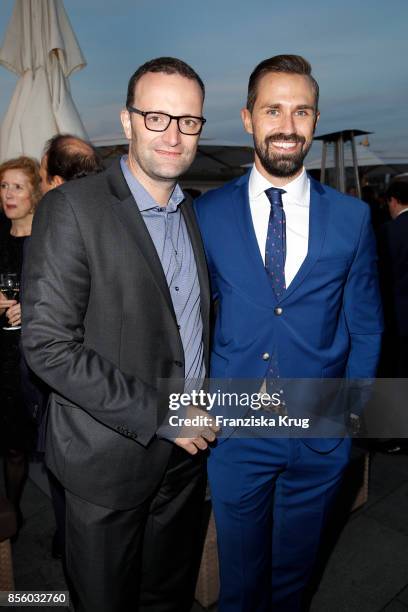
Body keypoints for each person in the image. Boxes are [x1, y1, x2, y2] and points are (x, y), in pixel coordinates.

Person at [22, 57, 217, 612]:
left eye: (188, 121)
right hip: (106, 463)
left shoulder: (192, 213)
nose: (173, 135)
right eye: (156, 117)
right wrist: (162, 413)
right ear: (127, 122)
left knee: (167, 597)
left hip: (185, 459)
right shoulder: (71, 208)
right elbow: (48, 346)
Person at [194, 55, 383, 611]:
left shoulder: (352, 218)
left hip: (318, 434)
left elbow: (366, 325)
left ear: (316, 119)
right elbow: (185, 320)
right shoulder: (205, 214)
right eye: (273, 109)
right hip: (235, 433)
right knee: (239, 584)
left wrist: (351, 415)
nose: (287, 124)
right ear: (248, 117)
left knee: (294, 582)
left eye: (301, 111)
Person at [36, 133, 104, 560]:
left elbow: (50, 343)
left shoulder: (57, 214)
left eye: (41, 175)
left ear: (55, 180)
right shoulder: (114, 213)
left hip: (82, 389)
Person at [0, 156, 42, 535]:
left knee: (16, 447)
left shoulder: (48, 241)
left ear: (35, 194)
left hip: (28, 361)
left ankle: (12, 507)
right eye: (3, 186)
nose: (8, 194)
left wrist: (33, 311)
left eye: (17, 187)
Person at [39, 134, 104, 193]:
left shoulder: (47, 205)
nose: (39, 186)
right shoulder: (108, 201)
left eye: (41, 179)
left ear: (57, 182)